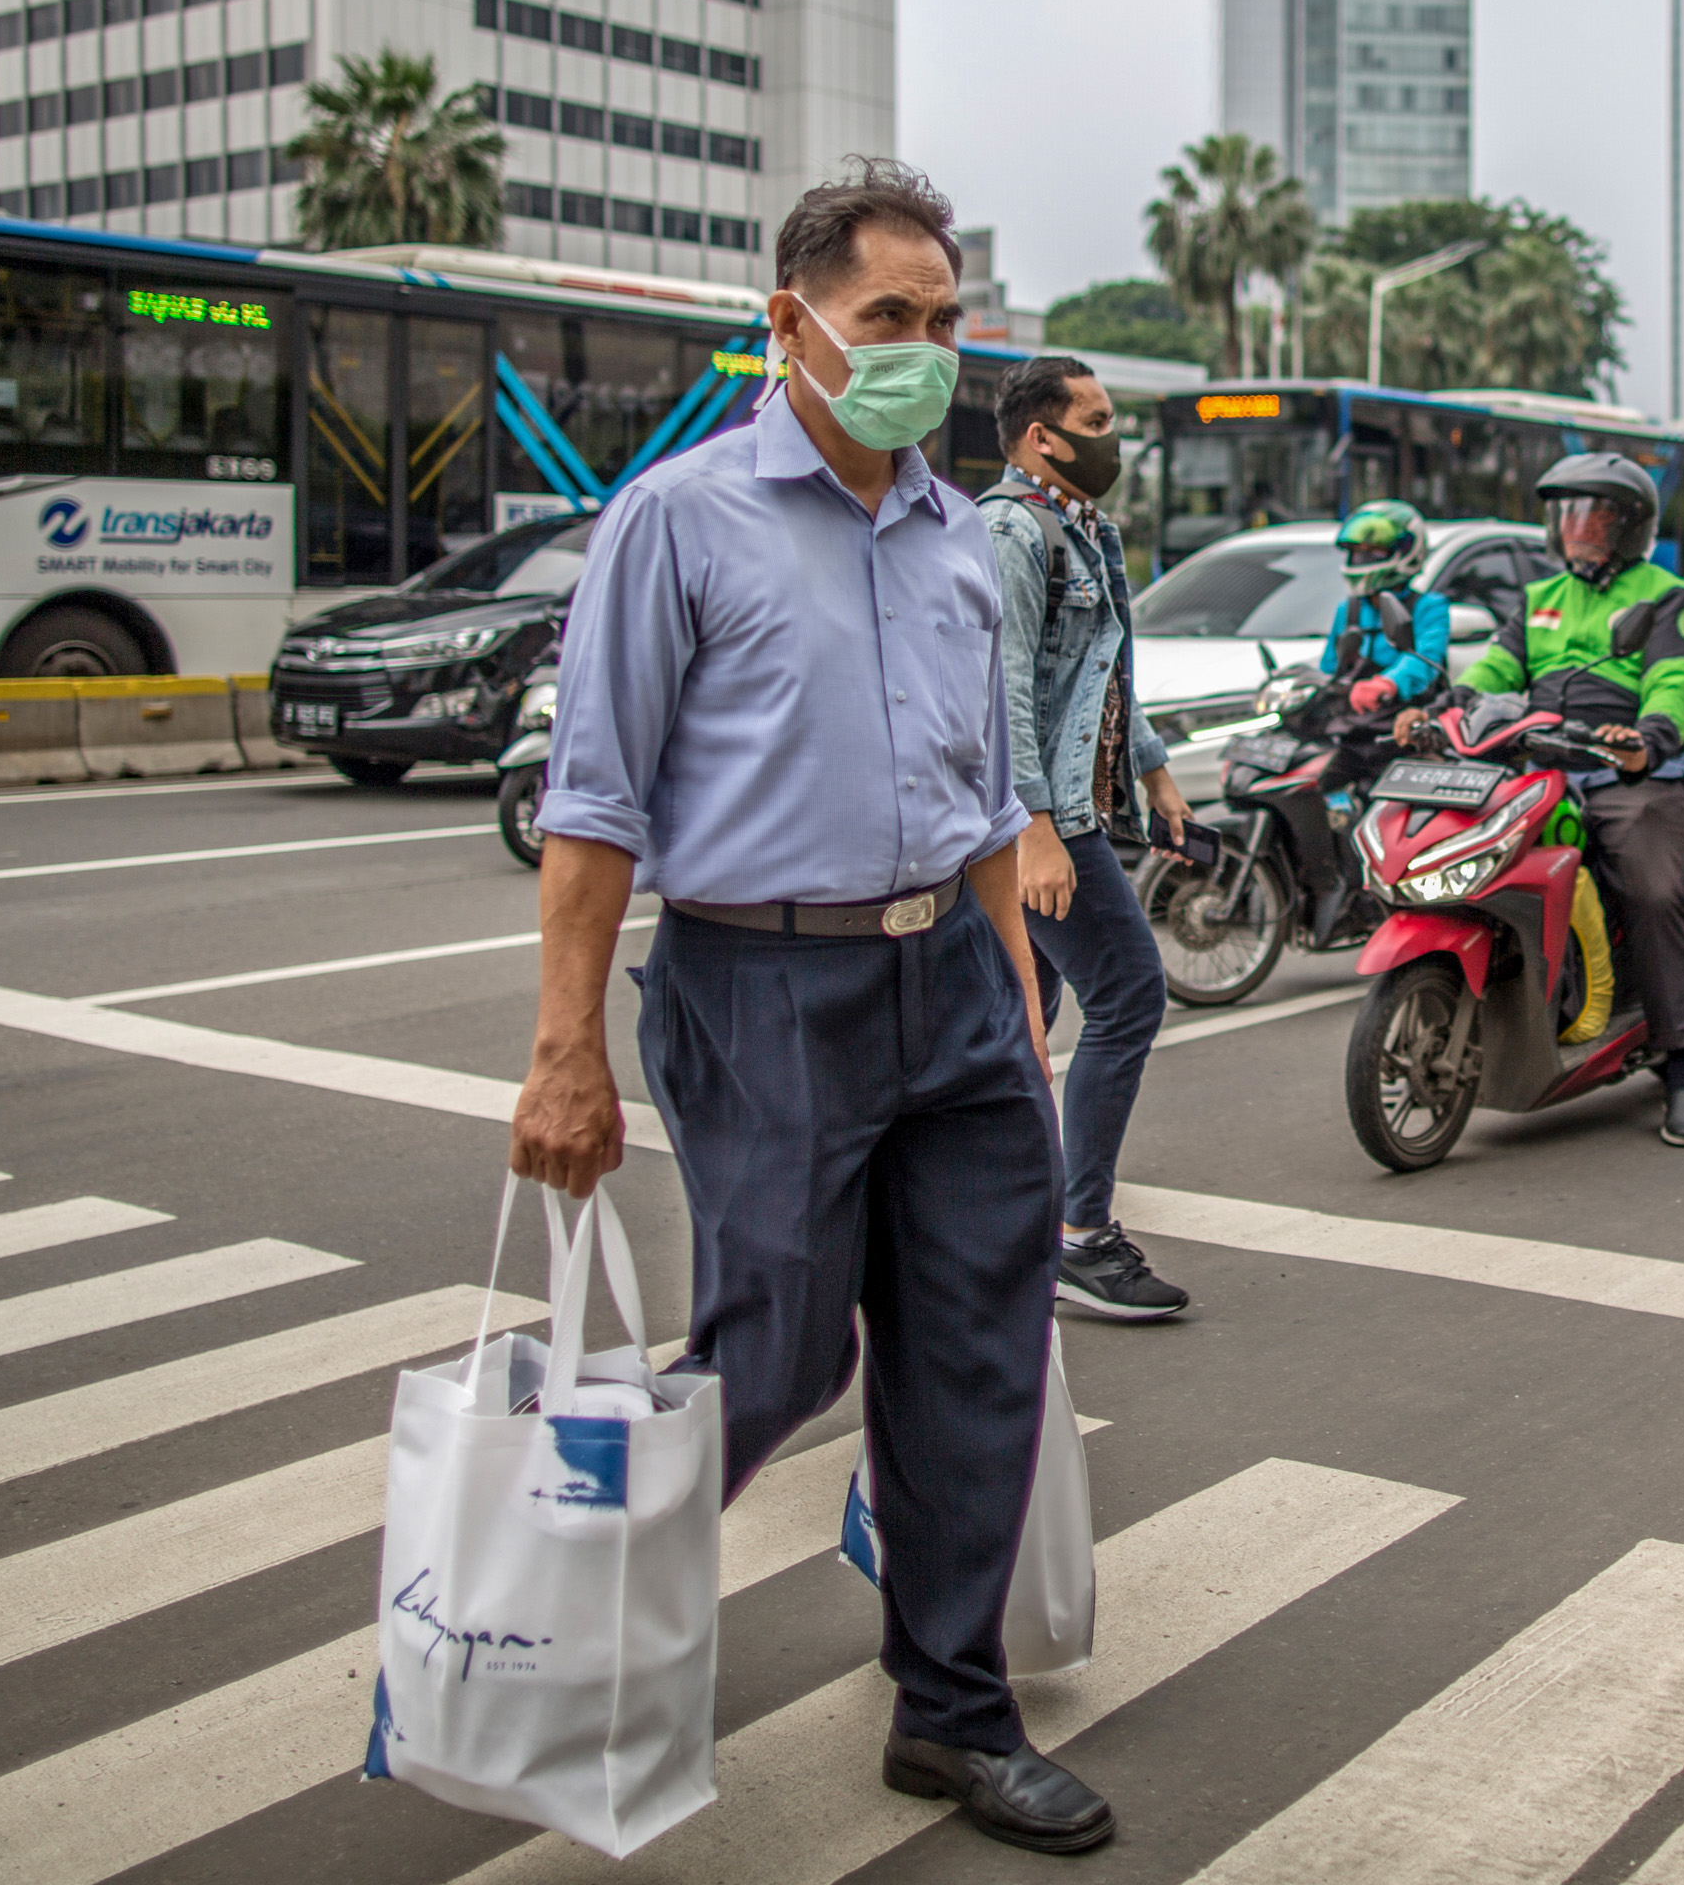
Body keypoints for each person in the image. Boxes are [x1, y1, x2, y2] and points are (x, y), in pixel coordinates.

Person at [509, 159, 1114, 1857]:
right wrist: (563, 1050)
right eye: (887, 320)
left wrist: (1015, 993)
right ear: (791, 327)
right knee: (775, 1341)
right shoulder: (680, 518)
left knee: (977, 1340)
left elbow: (985, 791)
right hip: (760, 980)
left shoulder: (955, 536)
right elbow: (593, 805)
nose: (922, 350)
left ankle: (952, 1709)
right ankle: (565, 1592)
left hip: (954, 986)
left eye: (942, 320)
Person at [1398, 451, 1684, 1144]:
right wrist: (1444, 705)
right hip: (1536, 758)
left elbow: (1676, 680)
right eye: (1565, 509)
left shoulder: (1666, 595)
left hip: (1623, 768)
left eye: (1591, 509)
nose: (1574, 523)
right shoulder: (1542, 597)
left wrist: (1648, 735)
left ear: (1628, 524)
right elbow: (1494, 668)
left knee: (1652, 887)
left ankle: (1683, 1063)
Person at [981, 354, 1195, 1323]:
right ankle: (1080, 1233)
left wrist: (1152, 768)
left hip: (1081, 806)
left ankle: (998, 1214)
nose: (1116, 436)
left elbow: (1103, 675)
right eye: (1100, 419)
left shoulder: (1082, 525)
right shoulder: (1011, 533)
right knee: (1128, 993)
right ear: (1043, 436)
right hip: (1045, 819)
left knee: (1028, 1012)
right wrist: (1033, 826)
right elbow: (1005, 689)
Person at [1320, 499, 1450, 719]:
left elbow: (1425, 659)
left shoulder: (1429, 607)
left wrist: (1388, 683)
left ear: (1406, 548)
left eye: (1374, 551)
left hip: (1404, 718)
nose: (1363, 558)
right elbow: (1329, 667)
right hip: (1354, 720)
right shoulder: (1349, 609)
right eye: (1358, 551)